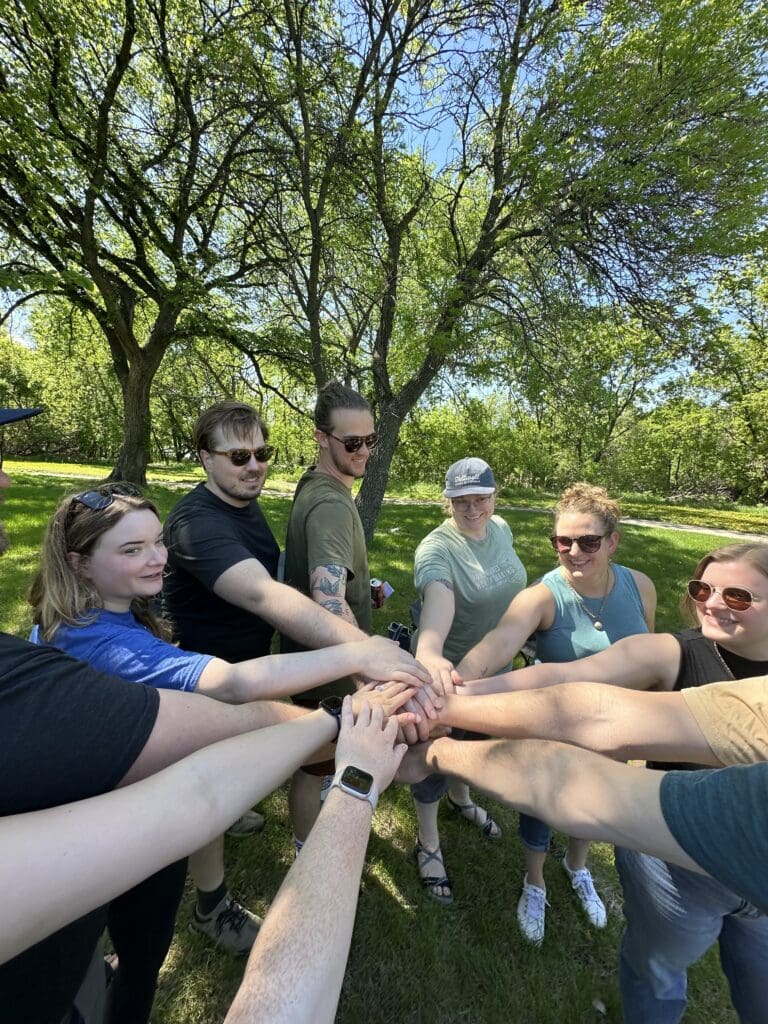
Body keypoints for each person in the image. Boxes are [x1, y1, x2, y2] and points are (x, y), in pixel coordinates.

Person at [26, 486, 431, 1012]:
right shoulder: (103, 642)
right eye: (131, 550)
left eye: (156, 542)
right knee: (138, 948)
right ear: (79, 564)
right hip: (117, 818)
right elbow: (235, 683)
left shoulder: (89, 616)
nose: (157, 559)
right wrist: (359, 653)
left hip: (100, 809)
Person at [455, 541, 768, 1024]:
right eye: (702, 588)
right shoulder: (672, 652)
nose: (711, 602)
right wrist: (455, 694)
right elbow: (569, 685)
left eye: (739, 597)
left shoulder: (635, 585)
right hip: (674, 863)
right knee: (656, 973)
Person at [161, 399, 433, 950]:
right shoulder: (195, 524)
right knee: (210, 788)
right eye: (238, 456)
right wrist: (365, 651)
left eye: (263, 453)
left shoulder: (243, 506)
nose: (254, 466)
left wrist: (364, 583)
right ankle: (211, 908)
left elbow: (277, 571)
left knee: (238, 780)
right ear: (203, 458)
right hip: (208, 682)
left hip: (251, 670)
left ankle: (234, 814)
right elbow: (262, 594)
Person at [457, 483, 655, 941]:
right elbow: (497, 645)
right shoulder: (542, 596)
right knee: (540, 808)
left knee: (594, 804)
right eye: (562, 541)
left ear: (612, 541)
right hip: (552, 731)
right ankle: (535, 880)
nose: (573, 552)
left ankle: (577, 865)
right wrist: (451, 683)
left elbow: (651, 656)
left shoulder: (640, 586)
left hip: (617, 729)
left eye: (587, 541)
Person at [408, 457, 528, 903]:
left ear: (495, 497)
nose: (472, 508)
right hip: (449, 680)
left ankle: (462, 801)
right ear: (448, 501)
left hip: (495, 673)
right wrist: (429, 652)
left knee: (475, 746)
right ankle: (428, 843)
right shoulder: (436, 549)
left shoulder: (502, 530)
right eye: (461, 501)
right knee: (433, 759)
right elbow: (439, 603)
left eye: (480, 498)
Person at [281, 382, 393, 849]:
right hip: (326, 671)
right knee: (315, 768)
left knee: (321, 763)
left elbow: (327, 578)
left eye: (371, 440)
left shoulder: (319, 486)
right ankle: (308, 852)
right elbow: (327, 599)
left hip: (318, 663)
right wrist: (371, 668)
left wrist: (361, 588)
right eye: (352, 442)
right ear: (321, 437)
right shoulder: (330, 503)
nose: (364, 450)